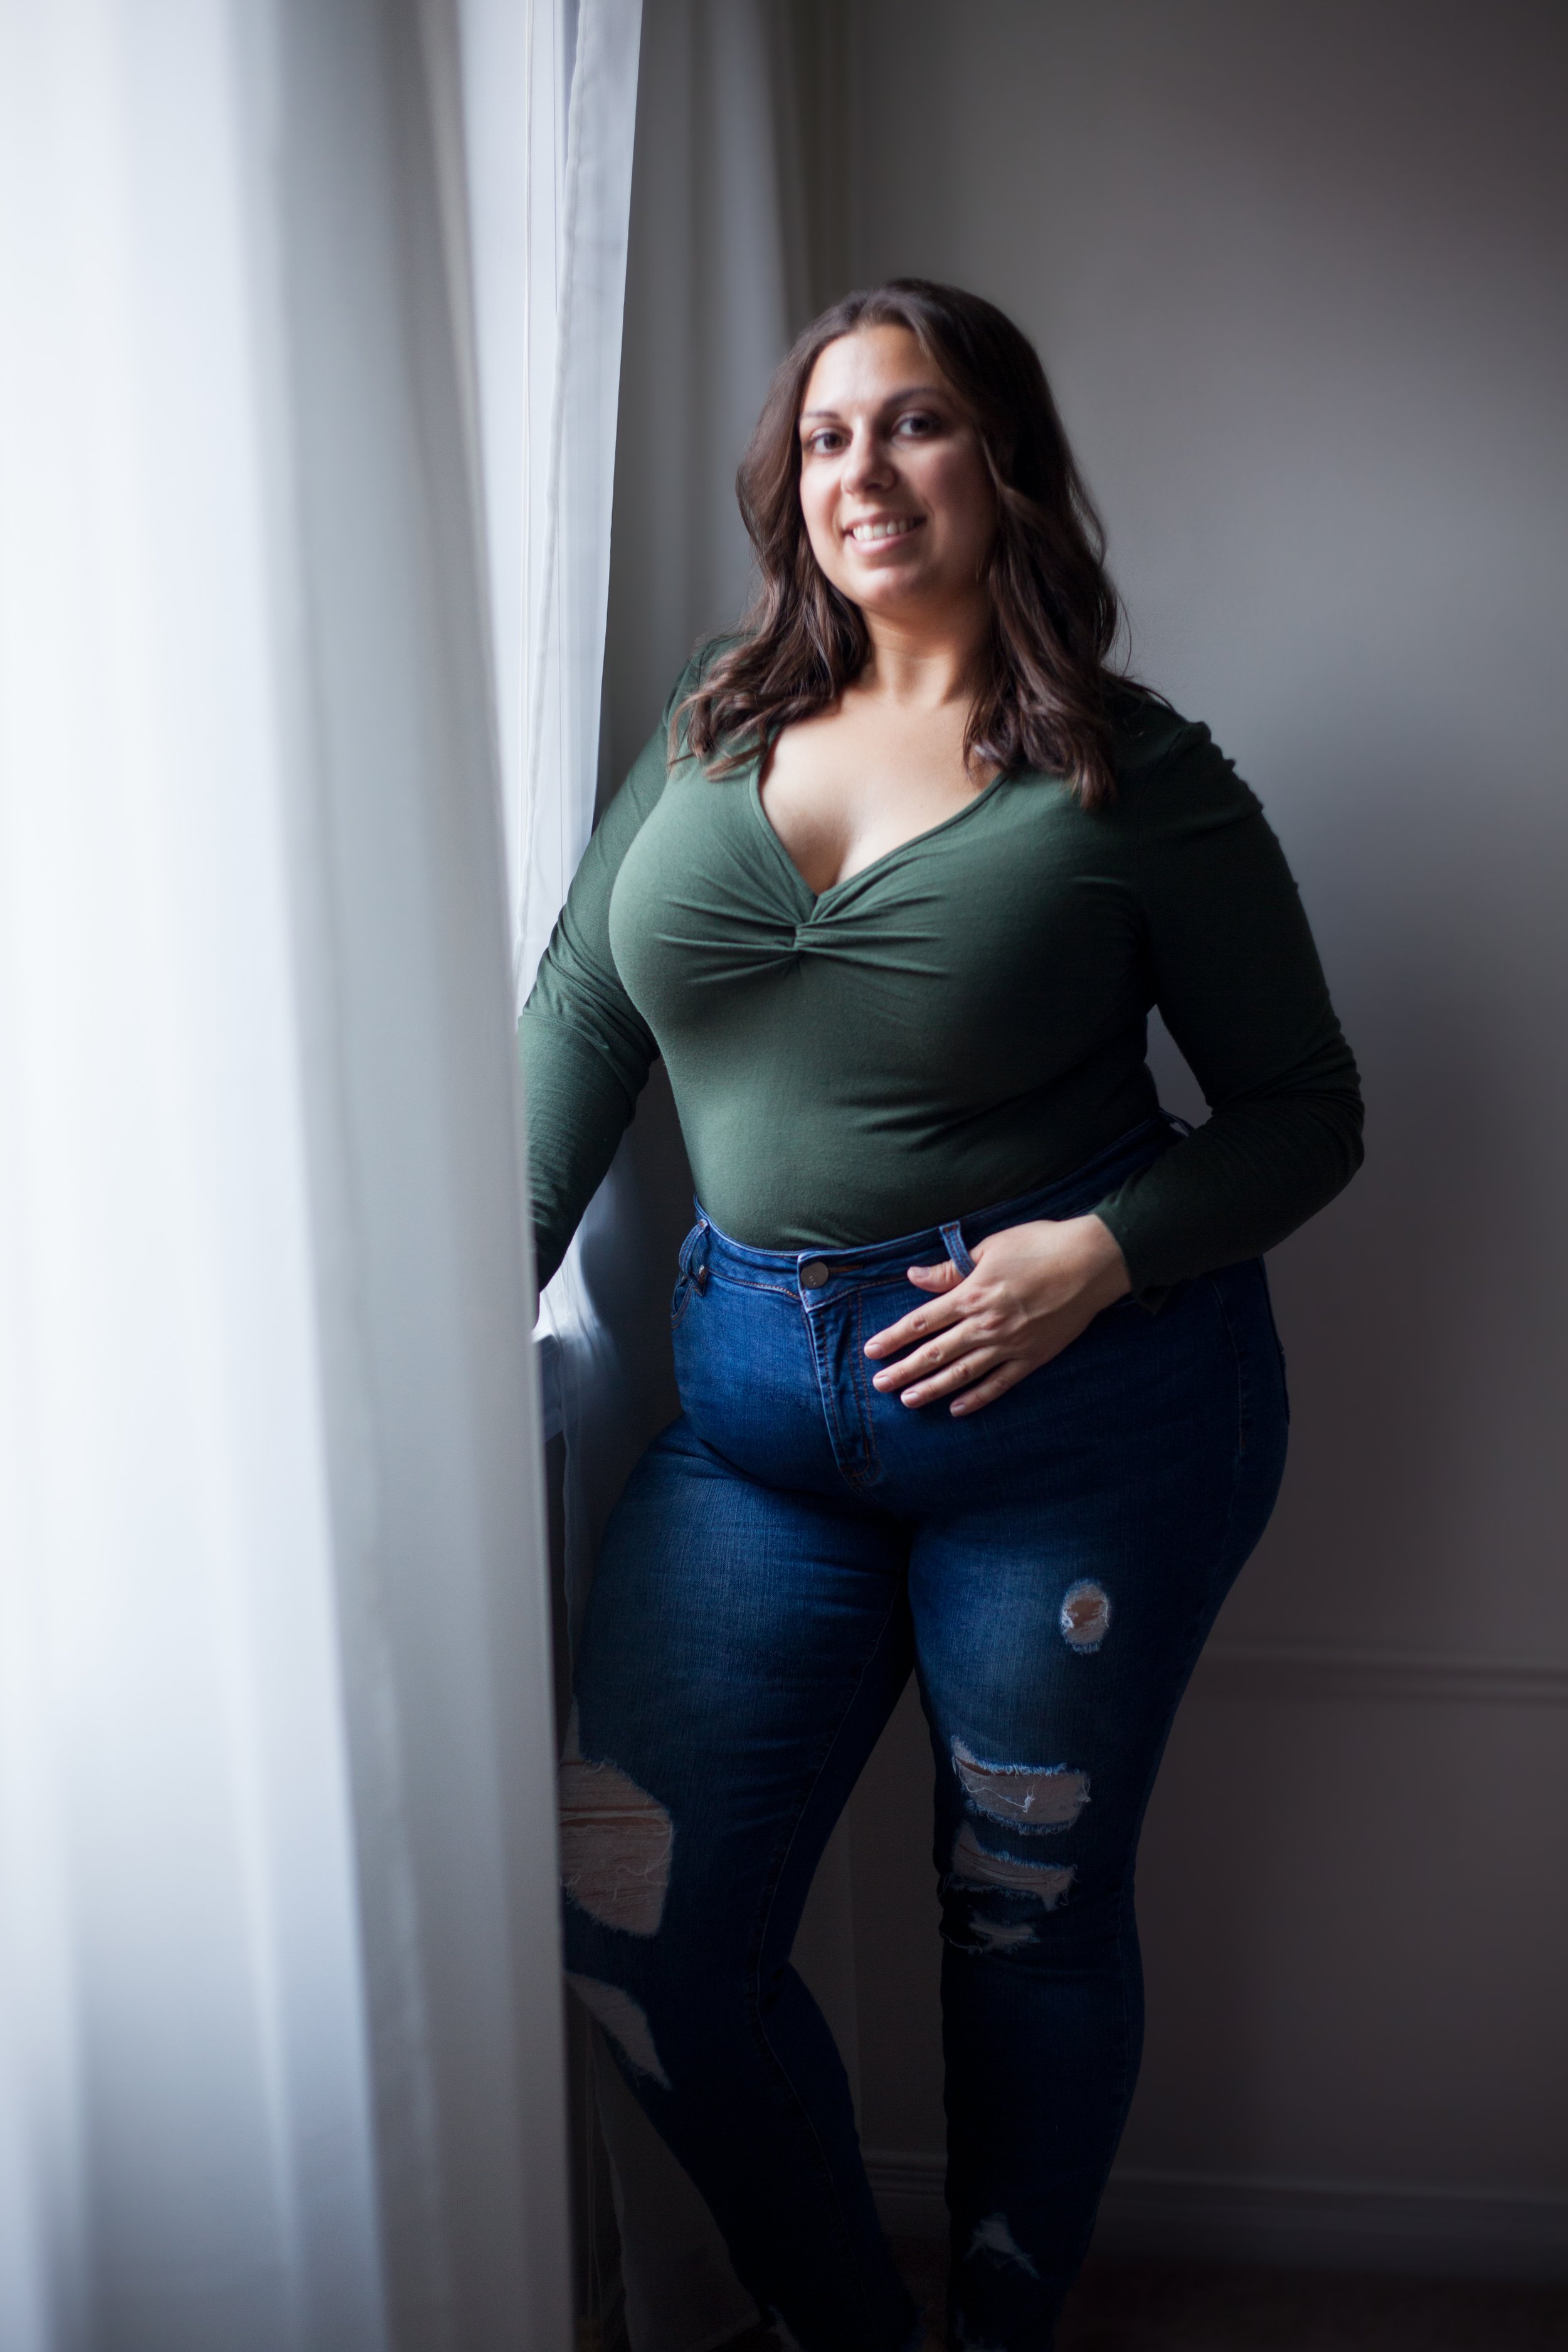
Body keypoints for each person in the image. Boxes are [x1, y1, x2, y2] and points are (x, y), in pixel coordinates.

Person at [522, 280, 1362, 2352]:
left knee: (1024, 1923)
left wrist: (1098, 1254)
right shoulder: (708, 725)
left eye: (911, 428)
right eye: (824, 439)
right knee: (638, 1926)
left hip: (1083, 1429)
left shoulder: (1130, 777)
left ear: (1000, 463)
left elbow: (1306, 1115)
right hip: (749, 1434)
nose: (862, 474)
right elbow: (576, 1023)